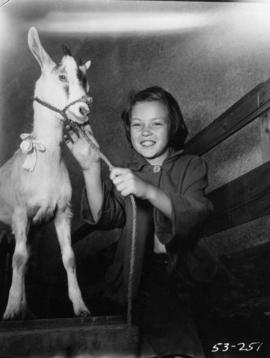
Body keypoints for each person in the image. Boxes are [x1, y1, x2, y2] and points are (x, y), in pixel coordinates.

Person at [65, 86, 215, 358]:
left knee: (176, 336)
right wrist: (90, 169)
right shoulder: (130, 172)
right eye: (137, 124)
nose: (145, 131)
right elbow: (104, 215)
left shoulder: (192, 166)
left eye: (156, 123)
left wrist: (147, 191)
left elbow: (196, 213)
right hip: (130, 281)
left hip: (174, 277)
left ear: (174, 127)